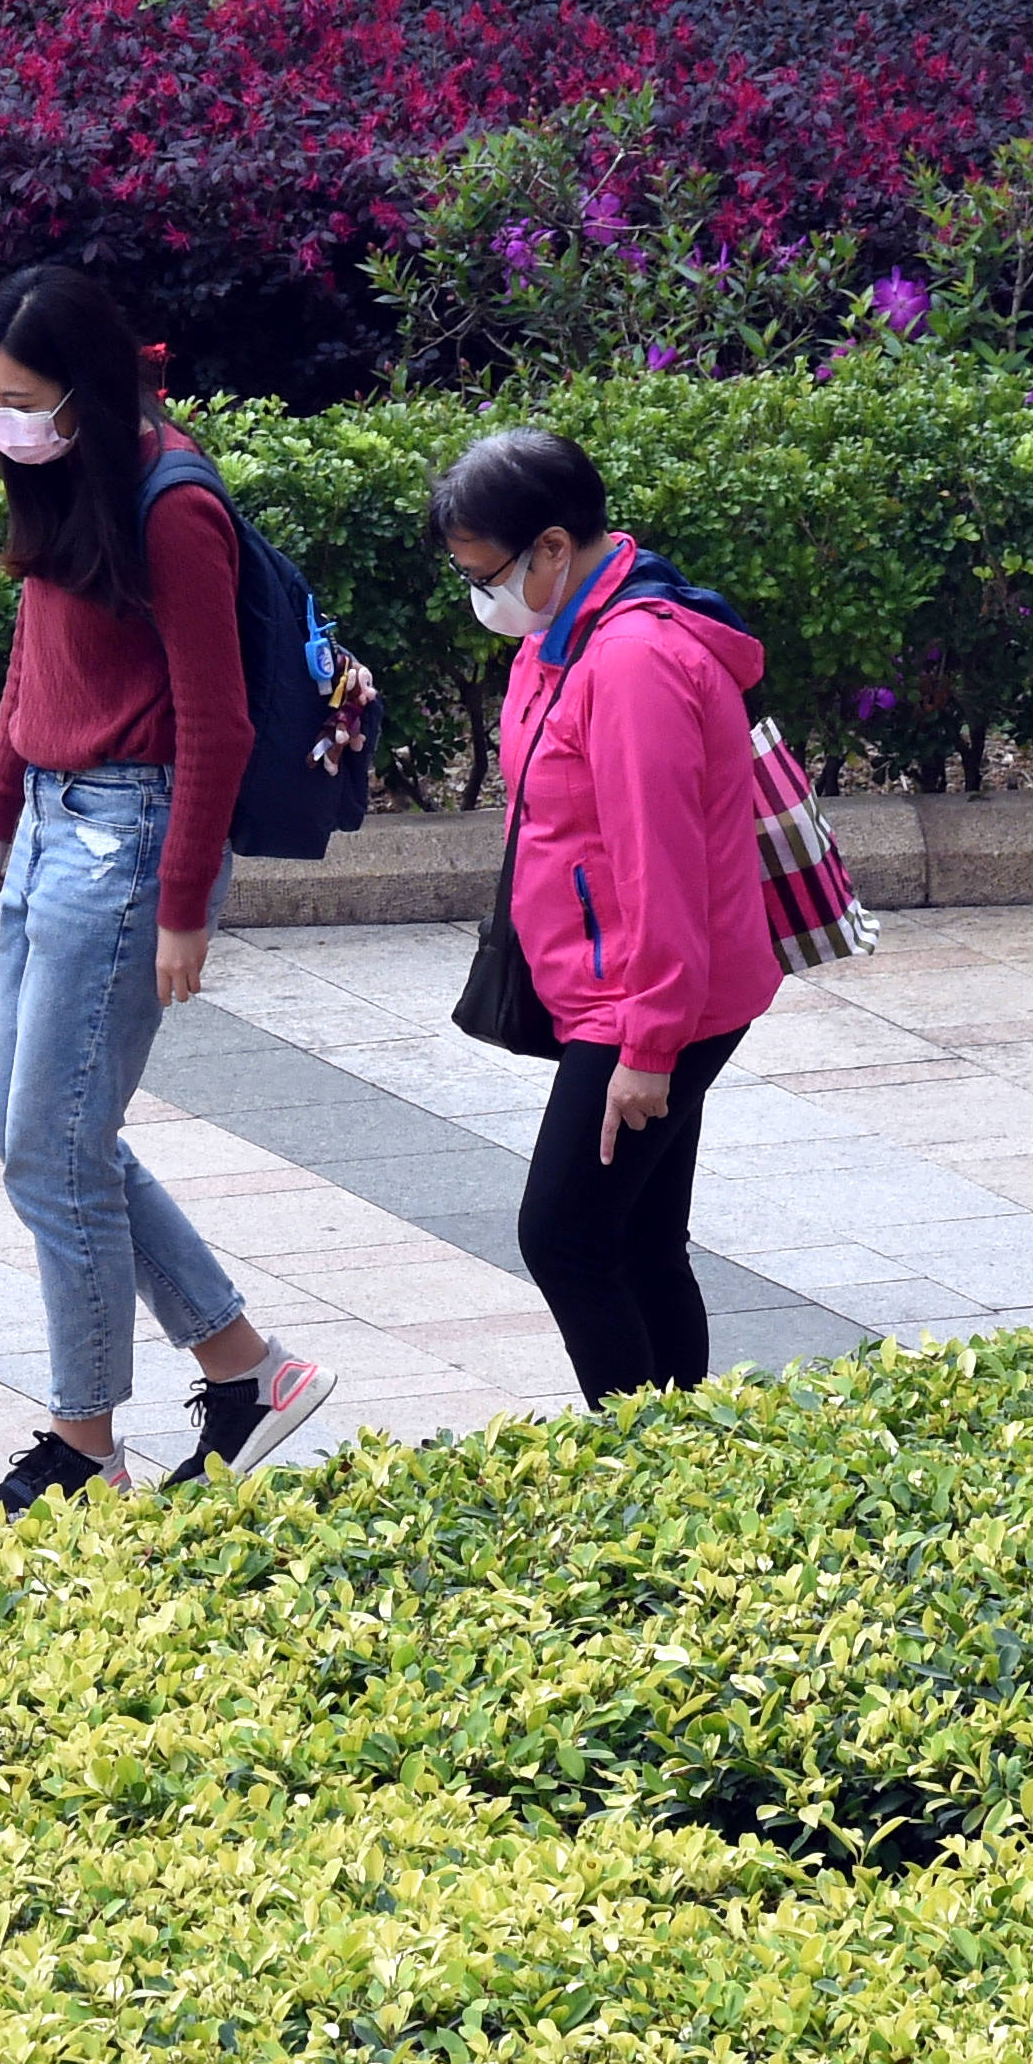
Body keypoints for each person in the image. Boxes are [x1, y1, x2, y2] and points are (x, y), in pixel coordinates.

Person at [0, 264, 336, 1519]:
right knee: (47, 1144)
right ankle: (245, 1371)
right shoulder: (61, 474)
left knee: (53, 1155)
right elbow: (35, 653)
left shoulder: (173, 508)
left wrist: (184, 910)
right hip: (58, 828)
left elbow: (215, 726)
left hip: (128, 844)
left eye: (22, 398)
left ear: (86, 391)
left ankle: (85, 1446)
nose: (3, 419)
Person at [434, 427, 783, 1406]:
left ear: (552, 547)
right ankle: (681, 1463)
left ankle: (642, 1481)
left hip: (652, 996)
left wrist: (648, 1045)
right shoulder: (575, 626)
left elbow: (660, 863)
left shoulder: (631, 658)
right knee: (635, 1237)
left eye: (488, 572)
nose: (481, 595)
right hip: (628, 983)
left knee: (566, 1237)